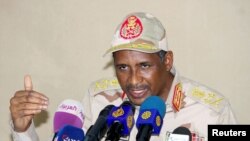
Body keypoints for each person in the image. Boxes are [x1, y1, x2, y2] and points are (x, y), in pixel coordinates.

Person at [9, 12, 237, 141]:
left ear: (167, 61)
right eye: (123, 68)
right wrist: (22, 128)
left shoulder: (212, 110)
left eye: (145, 65)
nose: (133, 81)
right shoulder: (99, 99)